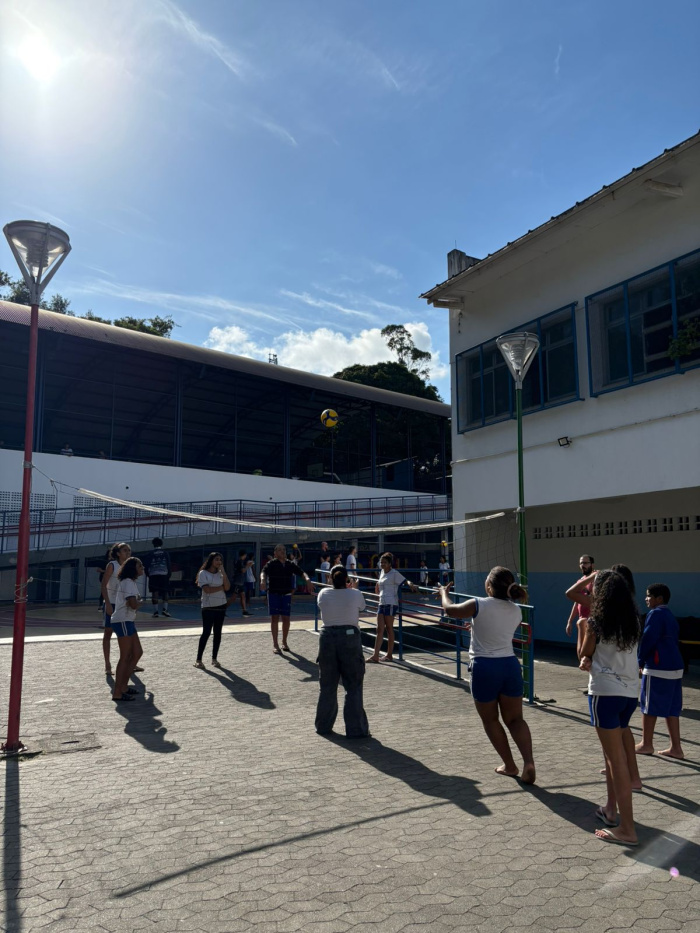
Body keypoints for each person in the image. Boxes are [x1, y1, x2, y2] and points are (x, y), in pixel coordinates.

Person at [438, 566, 536, 784]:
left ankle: (510, 766)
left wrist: (444, 593)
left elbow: (450, 610)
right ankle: (529, 761)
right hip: (510, 666)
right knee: (515, 719)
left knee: (491, 720)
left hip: (485, 667)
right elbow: (497, 629)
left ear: (489, 586)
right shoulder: (516, 610)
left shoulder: (478, 604)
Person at [579, 569, 641, 846]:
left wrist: (582, 630)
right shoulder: (634, 622)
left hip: (605, 694)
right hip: (630, 695)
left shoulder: (595, 623)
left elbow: (584, 653)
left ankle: (627, 829)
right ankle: (611, 810)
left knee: (617, 762)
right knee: (612, 758)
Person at [315, 566, 370, 738]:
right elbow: (363, 607)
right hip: (350, 638)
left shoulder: (323, 593)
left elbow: (322, 606)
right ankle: (356, 729)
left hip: (327, 638)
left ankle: (323, 726)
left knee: (327, 686)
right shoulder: (355, 593)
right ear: (347, 579)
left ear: (330, 579)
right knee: (353, 685)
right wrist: (352, 587)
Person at [635, 583, 685, 760]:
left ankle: (646, 744)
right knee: (672, 709)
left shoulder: (655, 614)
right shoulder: (670, 615)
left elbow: (648, 639)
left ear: (659, 599)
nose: (646, 599)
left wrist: (639, 660)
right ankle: (676, 748)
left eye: (649, 596)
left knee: (648, 707)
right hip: (675, 667)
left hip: (657, 667)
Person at [260, 544, 314, 654]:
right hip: (274, 593)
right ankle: (275, 644)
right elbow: (263, 572)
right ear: (275, 553)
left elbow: (301, 572)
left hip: (286, 594)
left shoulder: (290, 564)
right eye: (279, 550)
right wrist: (262, 580)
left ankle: (284, 641)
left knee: (286, 618)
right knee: (274, 618)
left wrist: (307, 580)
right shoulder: (271, 564)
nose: (282, 552)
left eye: (284, 550)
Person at [369, 552, 418, 663]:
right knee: (379, 629)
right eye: (381, 562)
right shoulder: (382, 572)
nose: (382, 564)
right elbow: (381, 582)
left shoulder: (394, 573)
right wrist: (377, 585)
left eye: (385, 562)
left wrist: (411, 584)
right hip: (381, 602)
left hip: (391, 603)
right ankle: (375, 655)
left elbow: (405, 581)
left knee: (389, 628)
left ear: (390, 564)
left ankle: (389, 654)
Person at [111, 557, 145, 702]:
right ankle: (117, 692)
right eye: (140, 566)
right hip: (122, 620)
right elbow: (132, 604)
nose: (142, 568)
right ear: (133, 569)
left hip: (128, 620)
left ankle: (123, 686)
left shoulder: (129, 583)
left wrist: (137, 602)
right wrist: (140, 602)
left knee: (137, 652)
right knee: (125, 656)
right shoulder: (128, 583)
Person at [194, 552, 230, 669]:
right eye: (216, 559)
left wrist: (223, 572)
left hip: (221, 605)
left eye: (220, 560)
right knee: (206, 632)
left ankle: (214, 658)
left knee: (218, 633)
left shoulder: (220, 574)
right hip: (208, 607)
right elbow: (207, 590)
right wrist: (221, 588)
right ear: (211, 561)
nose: (219, 562)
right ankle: (198, 659)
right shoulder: (203, 573)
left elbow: (228, 587)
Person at [101, 542, 132, 676]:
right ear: (118, 553)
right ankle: (107, 664)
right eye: (125, 550)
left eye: (129, 551)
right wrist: (107, 604)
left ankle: (129, 662)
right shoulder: (112, 565)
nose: (128, 553)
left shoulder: (130, 566)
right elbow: (103, 585)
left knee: (127, 634)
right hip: (112, 603)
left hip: (125, 605)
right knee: (108, 633)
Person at [565, 555, 596, 656]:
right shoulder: (581, 580)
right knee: (581, 653)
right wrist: (570, 621)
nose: (583, 565)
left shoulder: (595, 577)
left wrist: (587, 591)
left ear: (592, 564)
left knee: (585, 653)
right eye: (581, 563)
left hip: (591, 621)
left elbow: (595, 598)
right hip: (581, 620)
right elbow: (577, 601)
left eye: (585, 563)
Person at [144, 537, 172, 618]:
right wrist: (169, 574)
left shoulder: (150, 553)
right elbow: (168, 563)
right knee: (165, 592)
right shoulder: (165, 553)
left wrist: (148, 574)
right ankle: (165, 610)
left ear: (153, 544)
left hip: (153, 575)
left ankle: (156, 612)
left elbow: (146, 565)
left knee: (154, 592)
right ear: (161, 544)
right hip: (164, 574)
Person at [231, 549, 252, 617]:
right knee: (233, 598)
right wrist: (248, 566)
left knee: (243, 595)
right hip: (237, 582)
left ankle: (244, 611)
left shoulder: (242, 561)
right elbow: (243, 570)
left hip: (240, 582)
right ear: (244, 555)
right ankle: (223, 609)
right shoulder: (239, 561)